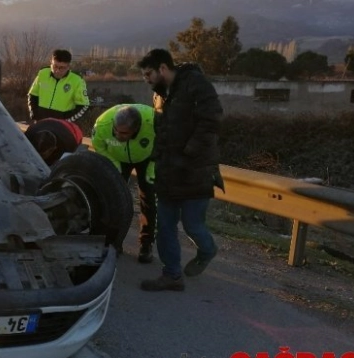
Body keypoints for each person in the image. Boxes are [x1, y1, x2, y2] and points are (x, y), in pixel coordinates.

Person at [136, 48, 225, 291]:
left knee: (192, 225)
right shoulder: (160, 95)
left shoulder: (196, 84)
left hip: (195, 170)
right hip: (169, 172)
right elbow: (162, 130)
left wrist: (190, 151)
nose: (147, 80)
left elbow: (213, 119)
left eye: (148, 74)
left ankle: (207, 250)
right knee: (164, 226)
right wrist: (157, 157)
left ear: (163, 68)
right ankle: (172, 275)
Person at [91, 104, 156, 263]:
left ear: (137, 129)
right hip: (117, 157)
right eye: (116, 131)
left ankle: (146, 245)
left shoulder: (154, 122)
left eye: (124, 133)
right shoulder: (103, 124)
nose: (119, 135)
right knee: (114, 201)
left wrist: (152, 170)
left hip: (147, 158)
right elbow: (98, 146)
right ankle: (114, 242)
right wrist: (115, 165)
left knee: (148, 200)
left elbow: (166, 146)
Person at [28, 49, 89, 123]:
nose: (57, 70)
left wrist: (67, 121)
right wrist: (34, 114)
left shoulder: (77, 80)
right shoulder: (43, 73)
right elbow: (32, 95)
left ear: (68, 66)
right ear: (51, 62)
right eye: (55, 66)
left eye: (62, 68)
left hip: (63, 126)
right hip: (41, 122)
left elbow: (84, 105)